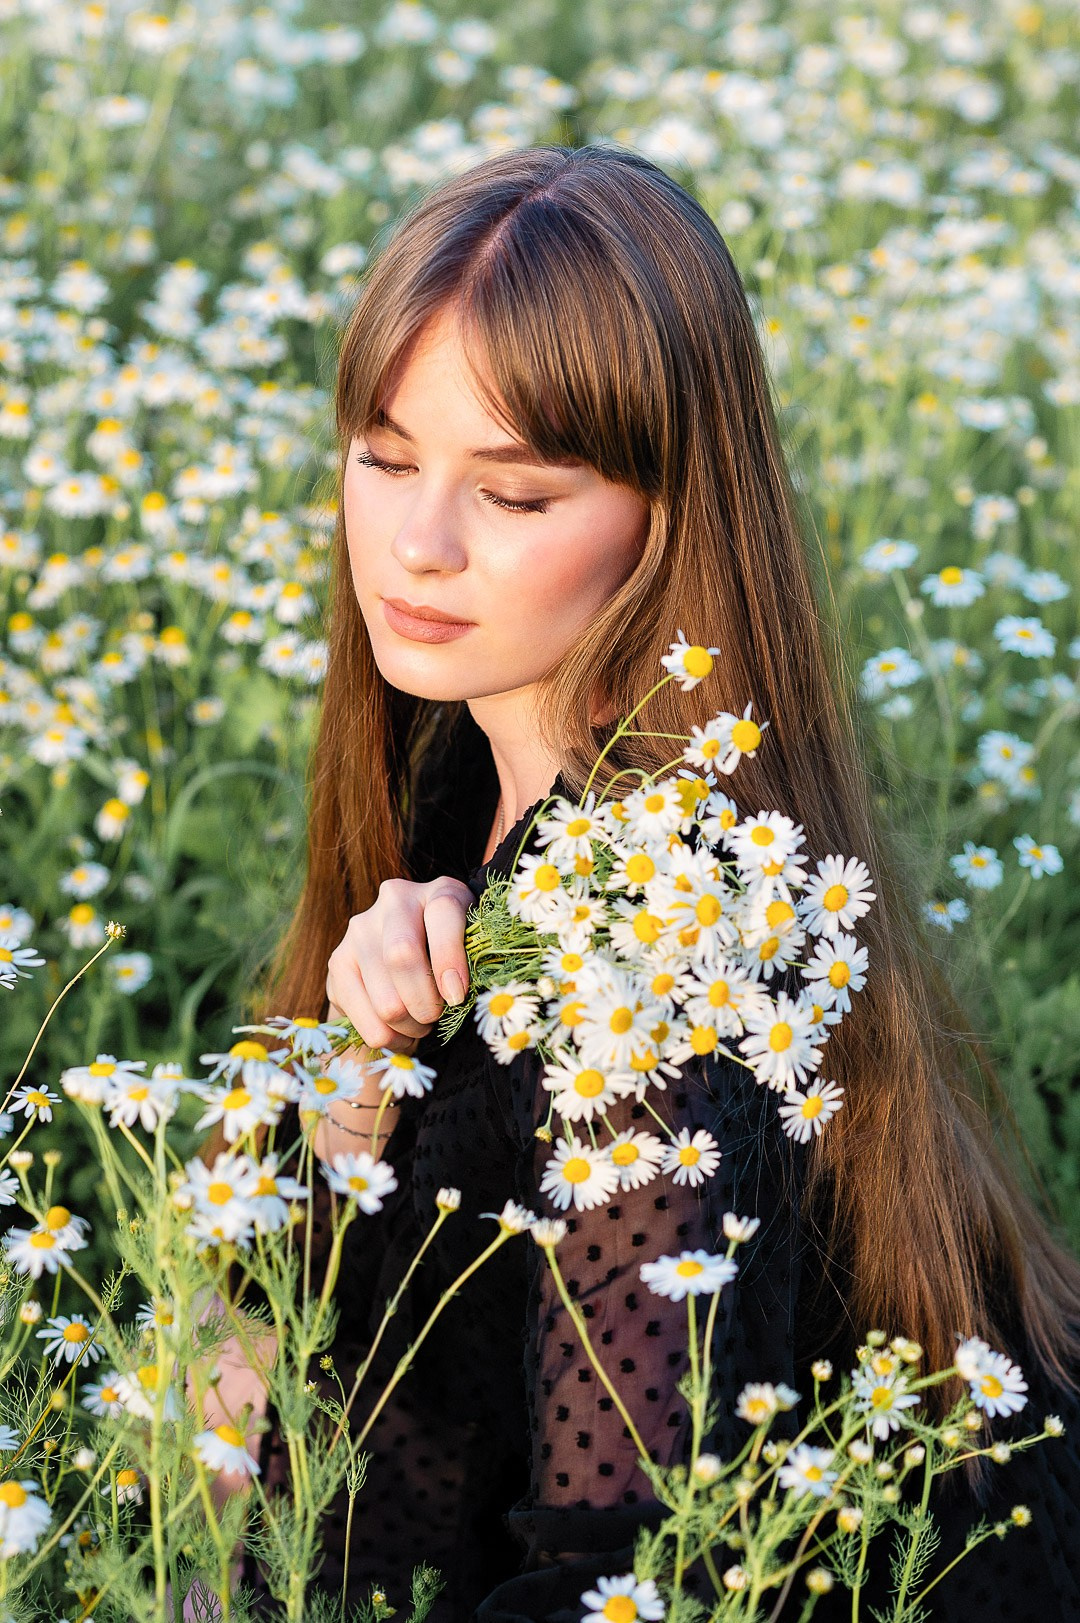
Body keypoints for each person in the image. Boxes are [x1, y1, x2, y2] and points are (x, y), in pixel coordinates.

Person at [194, 143, 1080, 1621]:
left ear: (671, 515)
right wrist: (356, 1076)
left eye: (515, 495)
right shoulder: (452, 781)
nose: (416, 545)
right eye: (384, 458)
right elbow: (234, 1416)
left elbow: (631, 1579)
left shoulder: (654, 958)